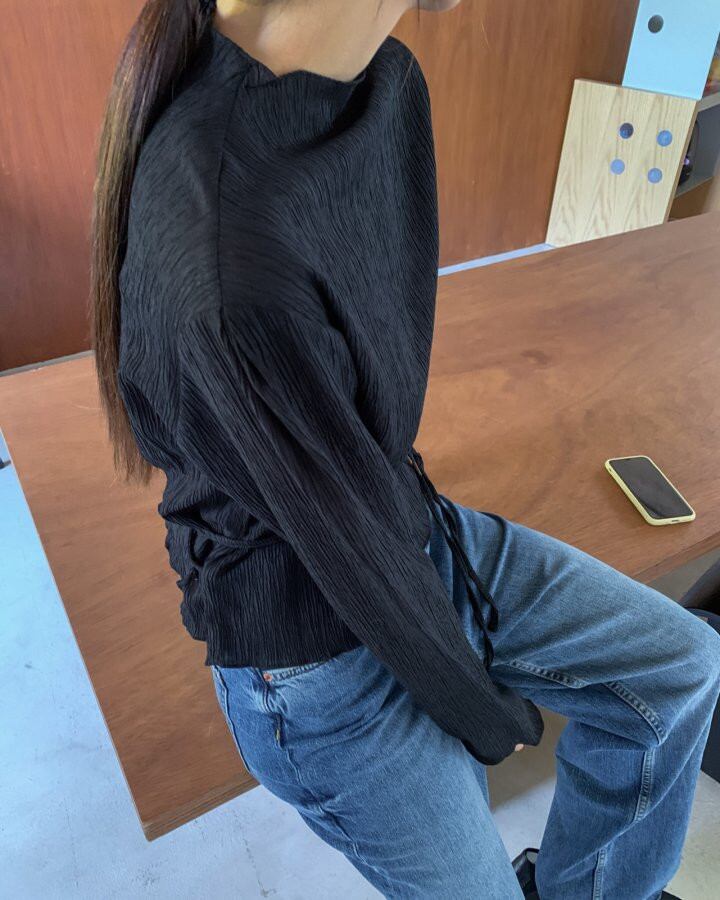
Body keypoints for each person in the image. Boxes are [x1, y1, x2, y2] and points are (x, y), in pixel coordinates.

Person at [89, 1, 720, 896]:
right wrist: (484, 710)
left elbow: (362, 466)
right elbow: (348, 559)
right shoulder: (226, 258)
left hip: (397, 526)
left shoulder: (383, 84)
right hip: (311, 658)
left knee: (680, 671)